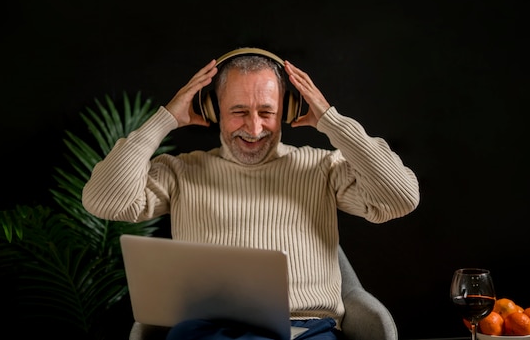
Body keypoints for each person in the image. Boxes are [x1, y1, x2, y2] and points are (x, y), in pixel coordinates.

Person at [82, 48, 420, 340]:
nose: (254, 129)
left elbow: (400, 197)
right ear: (214, 111)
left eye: (267, 112)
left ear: (287, 111)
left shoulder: (322, 168)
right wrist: (164, 120)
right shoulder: (180, 172)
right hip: (208, 330)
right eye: (239, 111)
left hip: (304, 330)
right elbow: (104, 200)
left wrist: (333, 122)